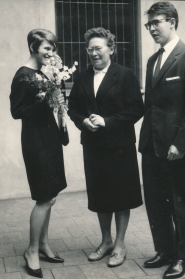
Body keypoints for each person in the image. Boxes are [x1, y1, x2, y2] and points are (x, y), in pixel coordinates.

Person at [68, 27, 144, 267]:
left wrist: (107, 122)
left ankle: (120, 244)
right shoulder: (81, 77)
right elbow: (73, 108)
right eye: (89, 49)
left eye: (98, 48)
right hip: (93, 146)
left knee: (121, 195)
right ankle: (106, 241)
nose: (93, 53)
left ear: (111, 48)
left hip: (119, 145)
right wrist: (82, 122)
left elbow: (136, 109)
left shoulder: (125, 75)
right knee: (100, 194)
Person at [139, 2, 185, 279]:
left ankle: (183, 258)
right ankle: (164, 250)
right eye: (148, 24)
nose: (152, 28)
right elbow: (151, 105)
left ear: (173, 22)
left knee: (180, 202)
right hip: (151, 145)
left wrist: (180, 143)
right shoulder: (153, 60)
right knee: (155, 201)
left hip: (176, 147)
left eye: (157, 22)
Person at [10, 29, 68, 278]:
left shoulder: (46, 72)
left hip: (50, 137)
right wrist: (42, 100)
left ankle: (43, 244)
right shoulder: (23, 75)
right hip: (35, 141)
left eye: (53, 48)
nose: (51, 52)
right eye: (47, 48)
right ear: (33, 47)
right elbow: (17, 111)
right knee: (44, 197)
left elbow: (54, 103)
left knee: (51, 195)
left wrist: (58, 103)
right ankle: (31, 251)